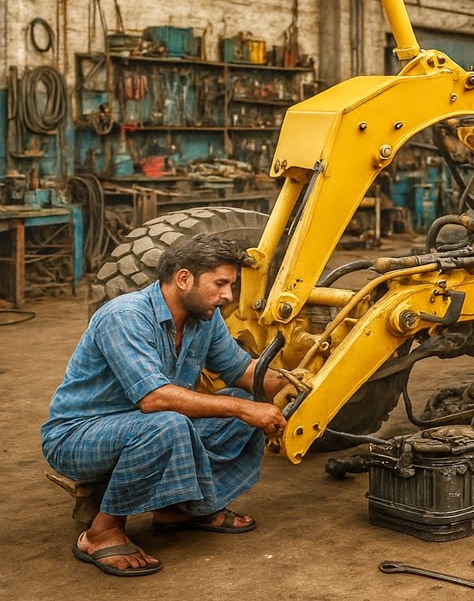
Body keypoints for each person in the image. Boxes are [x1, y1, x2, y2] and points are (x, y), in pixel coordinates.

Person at [41, 234, 290, 577]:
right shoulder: (125, 316)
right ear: (184, 278)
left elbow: (241, 370)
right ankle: (101, 534)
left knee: (248, 404)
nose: (227, 296)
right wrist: (241, 409)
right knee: (172, 421)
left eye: (231, 285)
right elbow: (154, 398)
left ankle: (181, 508)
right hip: (79, 437)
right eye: (220, 284)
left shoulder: (204, 318)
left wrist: (297, 387)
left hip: (145, 425)